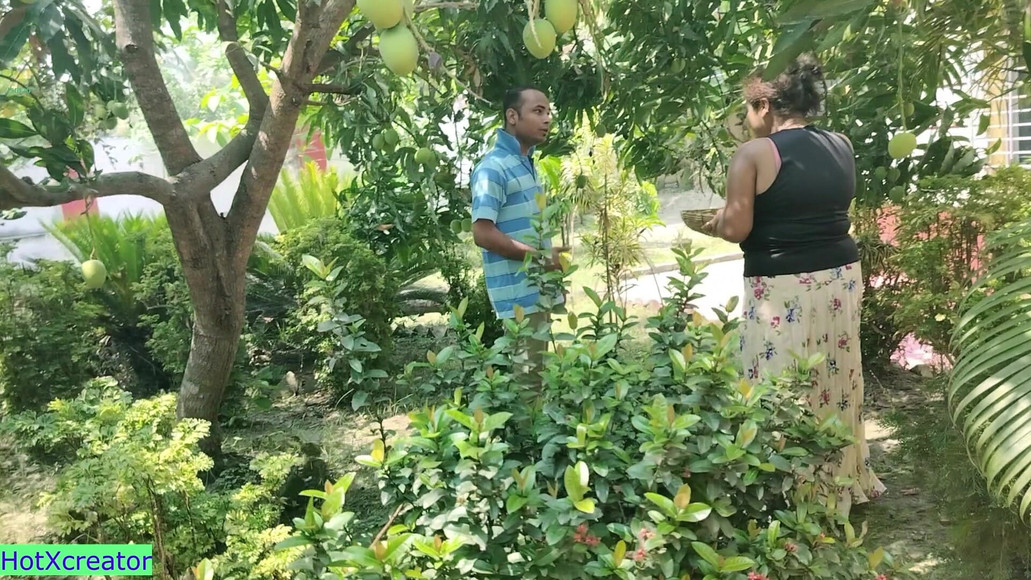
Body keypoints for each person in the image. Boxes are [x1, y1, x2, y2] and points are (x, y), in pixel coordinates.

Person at [702, 54, 886, 515]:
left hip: (783, 285)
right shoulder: (840, 144)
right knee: (835, 374)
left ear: (764, 106)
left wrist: (715, 223)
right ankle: (841, 479)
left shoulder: (753, 154)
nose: (747, 121)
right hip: (841, 276)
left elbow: (737, 227)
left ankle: (791, 492)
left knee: (779, 381)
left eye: (747, 109)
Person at [470, 86, 568, 380]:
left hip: (536, 293)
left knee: (537, 381)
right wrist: (541, 258)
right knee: (528, 385)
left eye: (548, 112)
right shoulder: (493, 168)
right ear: (512, 116)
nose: (547, 119)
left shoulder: (524, 164)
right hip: (518, 300)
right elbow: (483, 233)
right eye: (538, 111)